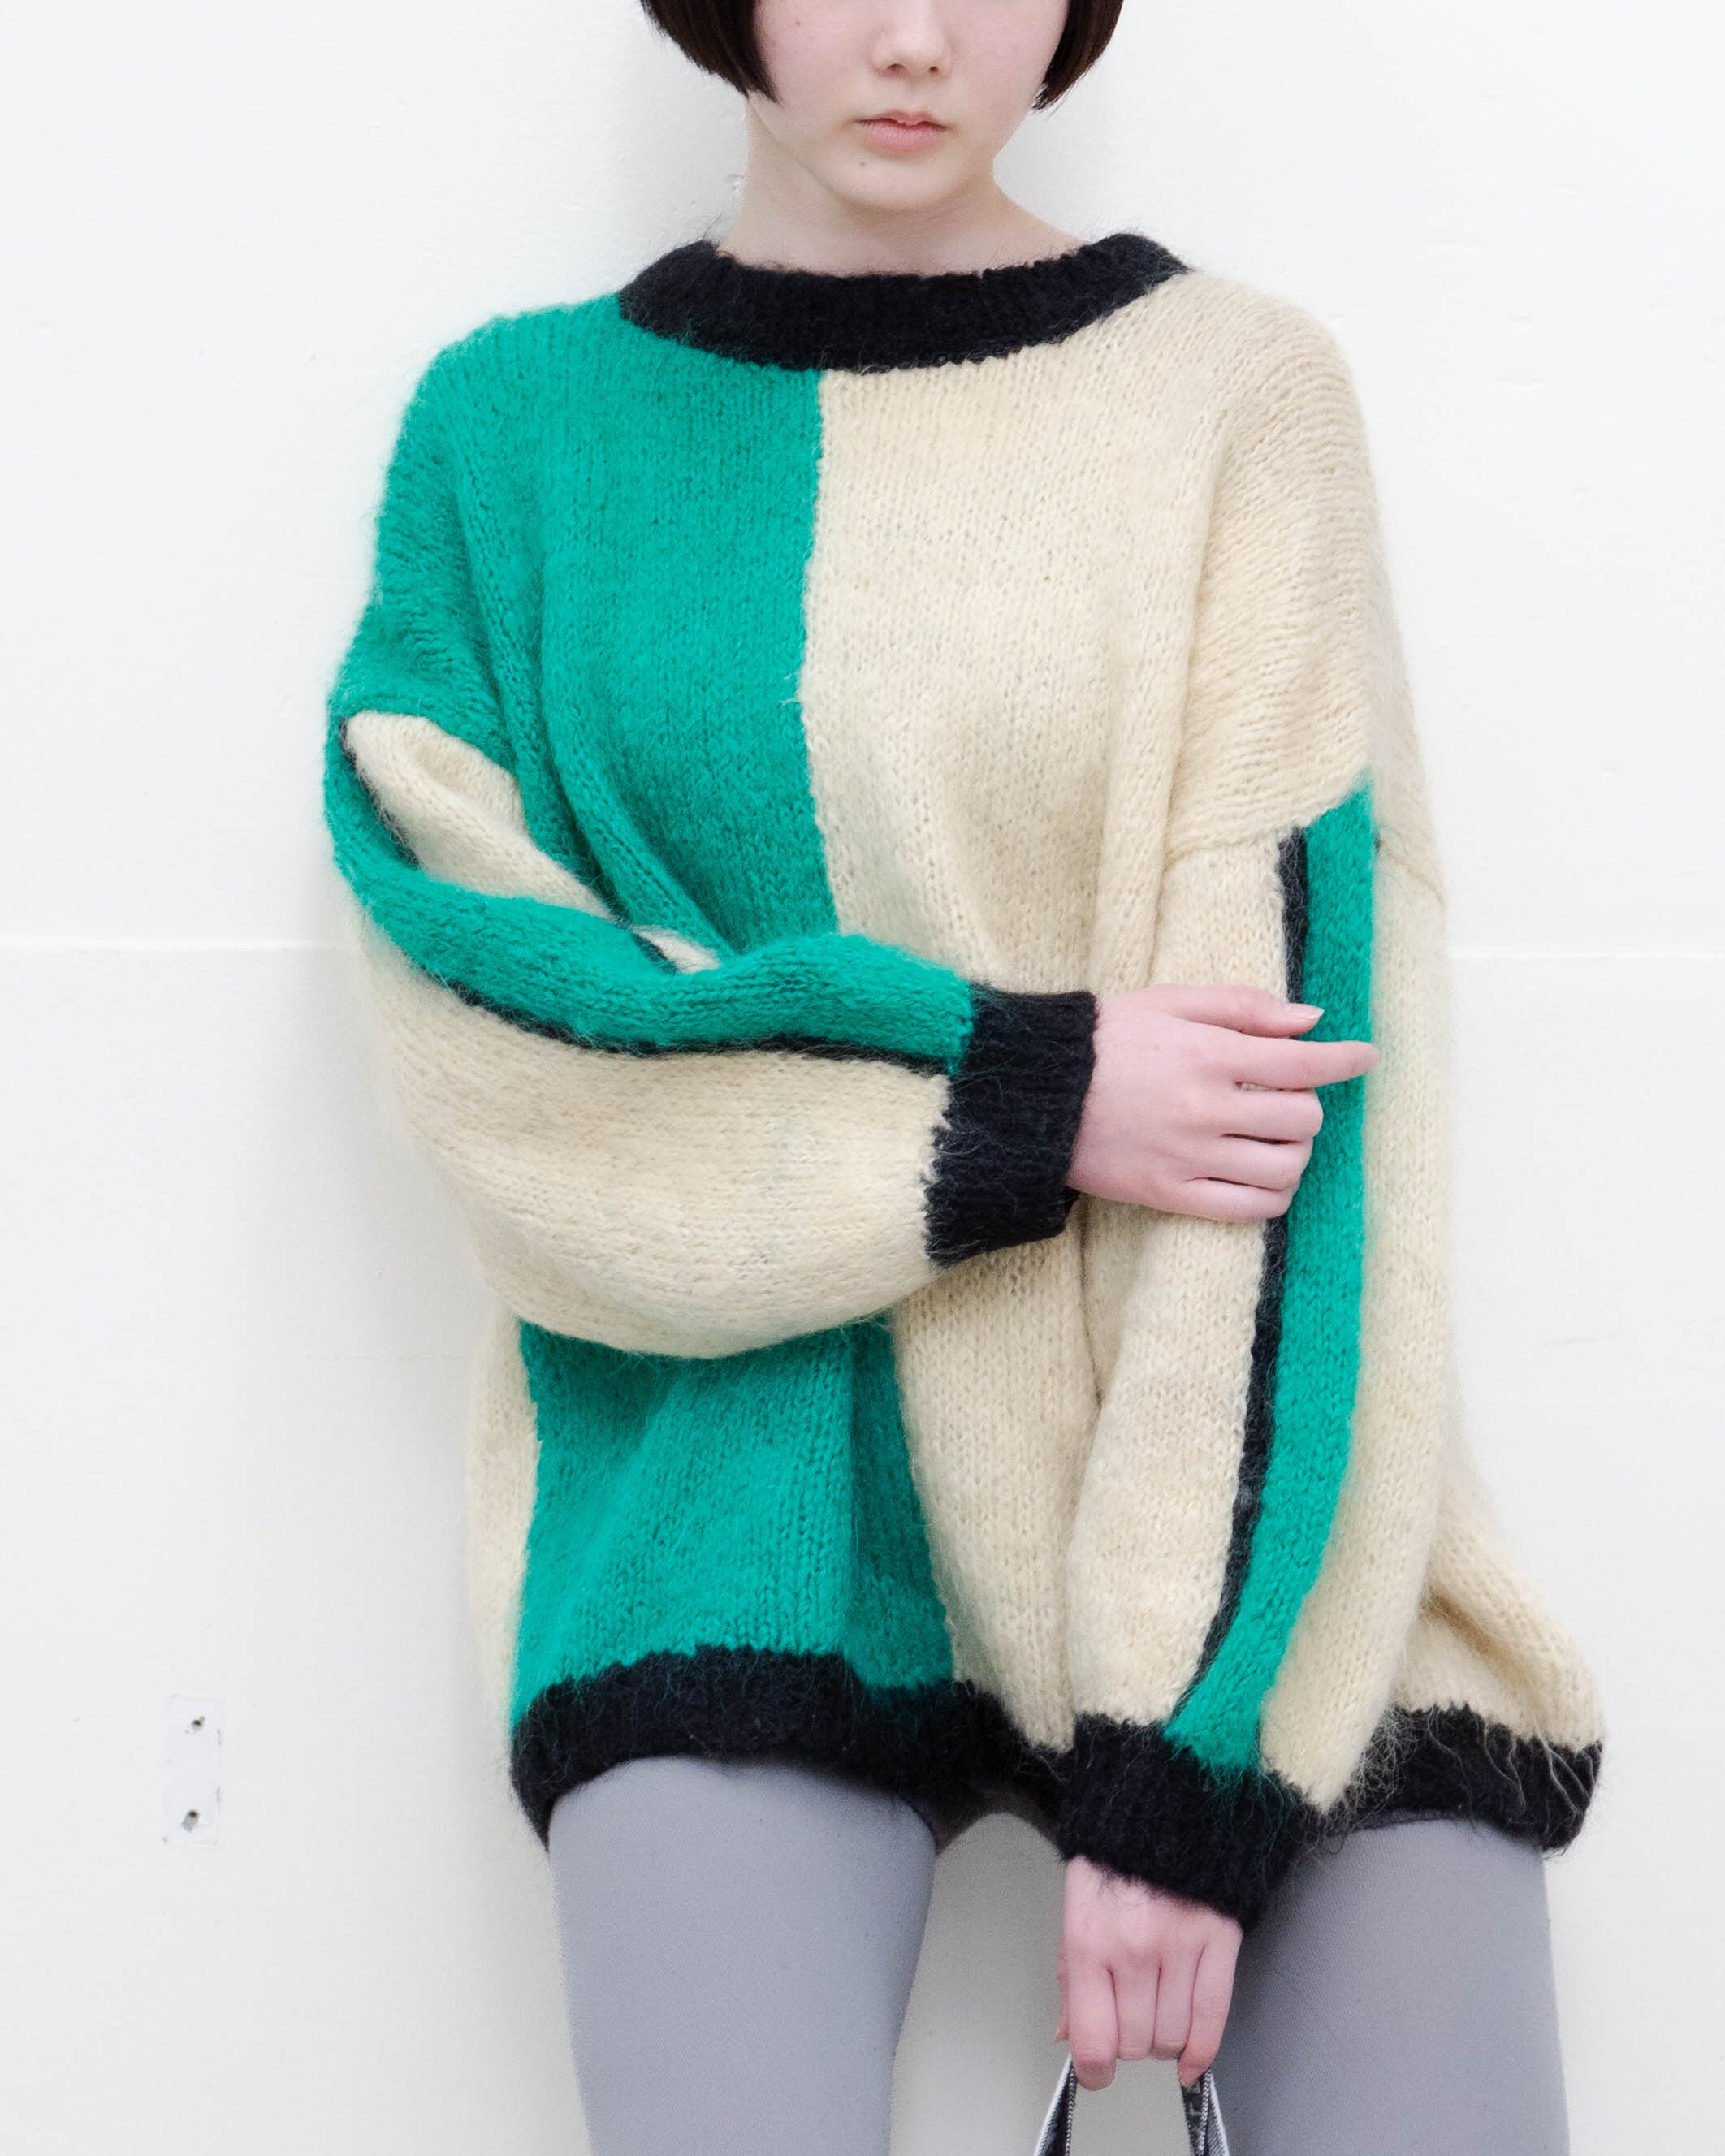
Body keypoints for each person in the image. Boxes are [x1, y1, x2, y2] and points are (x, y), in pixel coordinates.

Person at [321, 2, 1606, 2150]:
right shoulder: (512, 433)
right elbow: (492, 1028)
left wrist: (1190, 1754)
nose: (915, 38)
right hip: (734, 1491)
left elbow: (1306, 1088)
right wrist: (1025, 1096)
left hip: (1246, 1504)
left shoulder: (1234, 396)